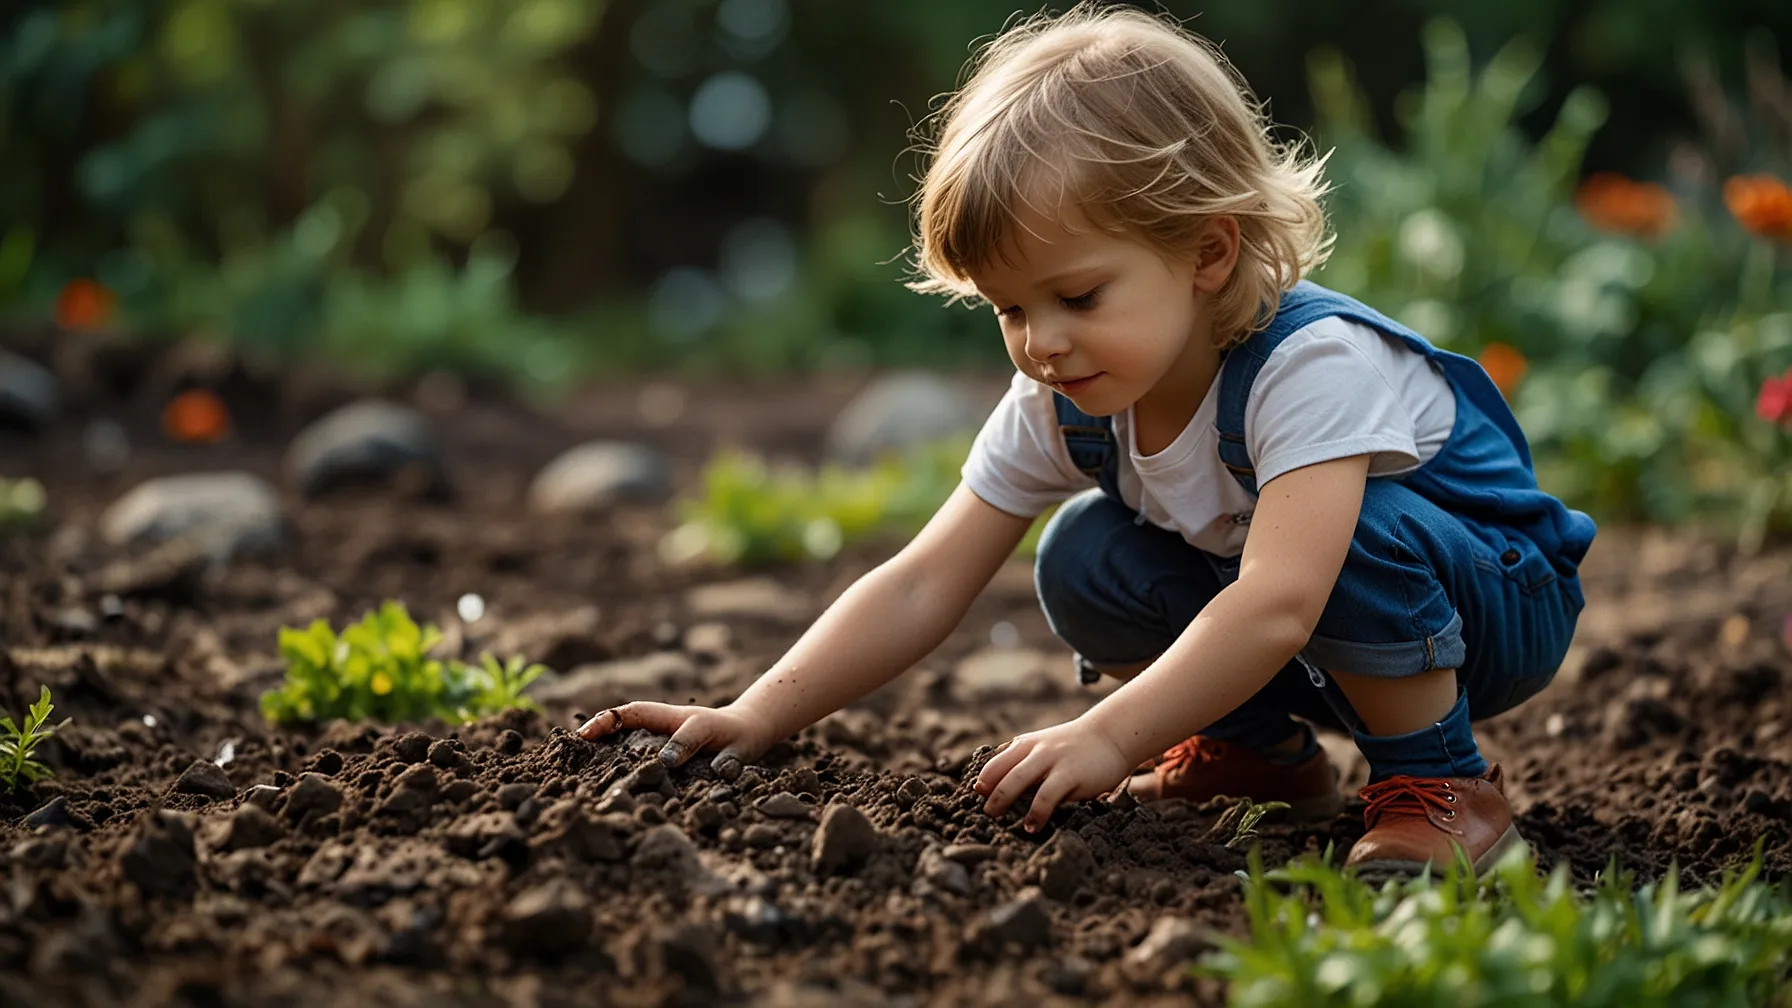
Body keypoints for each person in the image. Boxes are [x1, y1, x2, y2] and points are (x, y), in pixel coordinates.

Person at [579, 2, 1594, 876]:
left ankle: (1441, 784)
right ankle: (1262, 761)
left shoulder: (1311, 366)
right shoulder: (1067, 397)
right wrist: (757, 712)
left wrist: (1110, 735)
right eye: (1008, 309)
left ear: (1206, 250)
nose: (1041, 344)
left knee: (1347, 532)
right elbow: (924, 580)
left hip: (1490, 604)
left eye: (1075, 296)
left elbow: (1281, 603)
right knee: (1082, 552)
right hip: (1321, 623)